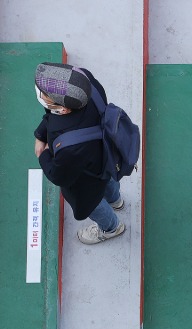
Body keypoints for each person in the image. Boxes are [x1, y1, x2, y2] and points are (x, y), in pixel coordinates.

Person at [33, 62, 125, 245]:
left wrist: (42, 154)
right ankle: (116, 201)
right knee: (108, 182)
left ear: (64, 109)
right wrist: (40, 134)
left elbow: (59, 177)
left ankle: (111, 228)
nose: (41, 93)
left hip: (86, 180)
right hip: (105, 158)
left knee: (92, 203)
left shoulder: (70, 148)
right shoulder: (86, 82)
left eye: (45, 95)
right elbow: (51, 116)